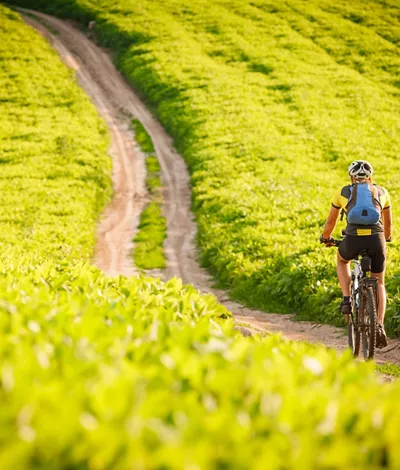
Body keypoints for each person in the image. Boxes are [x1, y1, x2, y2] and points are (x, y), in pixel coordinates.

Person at [320, 160, 392, 348]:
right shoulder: (382, 192)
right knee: (380, 282)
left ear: (351, 177)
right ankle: (379, 325)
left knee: (342, 260)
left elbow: (330, 223)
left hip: (352, 239)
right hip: (376, 239)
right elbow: (389, 227)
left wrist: (326, 238)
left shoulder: (343, 192)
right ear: (370, 177)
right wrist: (387, 238)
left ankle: (346, 298)